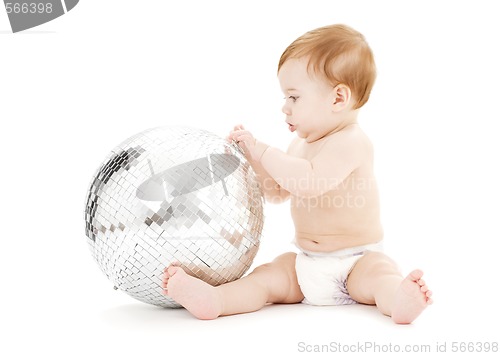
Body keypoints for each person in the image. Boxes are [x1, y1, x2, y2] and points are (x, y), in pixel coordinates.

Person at [162, 24, 432, 324]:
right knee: (266, 278)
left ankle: (398, 300)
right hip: (306, 263)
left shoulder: (352, 141)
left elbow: (309, 182)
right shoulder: (299, 144)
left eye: (294, 97)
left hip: (357, 261)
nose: (284, 108)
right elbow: (278, 191)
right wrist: (252, 161)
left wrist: (263, 151)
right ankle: (217, 300)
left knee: (380, 275)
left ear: (338, 98)